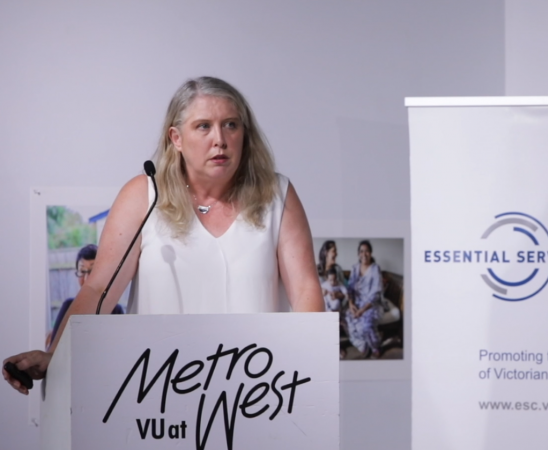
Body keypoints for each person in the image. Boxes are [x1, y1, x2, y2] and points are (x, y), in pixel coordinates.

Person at [3, 76, 324, 395]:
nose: (220, 139)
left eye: (231, 125)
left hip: (257, 392)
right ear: (176, 137)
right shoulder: (143, 195)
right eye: (203, 126)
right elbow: (99, 288)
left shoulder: (277, 193)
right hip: (160, 397)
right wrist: (55, 357)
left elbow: (306, 289)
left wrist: (310, 369)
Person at [47, 244, 124, 348]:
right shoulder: (69, 306)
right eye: (82, 272)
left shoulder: (115, 310)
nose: (86, 279)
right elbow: (55, 349)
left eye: (92, 272)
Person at [346, 240, 383, 358]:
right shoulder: (355, 268)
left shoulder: (375, 269)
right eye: (361, 251)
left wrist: (362, 310)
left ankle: (376, 347)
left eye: (367, 251)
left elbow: (376, 294)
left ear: (371, 253)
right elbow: (350, 289)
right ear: (358, 254)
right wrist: (351, 305)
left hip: (370, 304)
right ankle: (363, 345)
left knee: (367, 324)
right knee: (348, 318)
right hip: (357, 302)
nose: (364, 254)